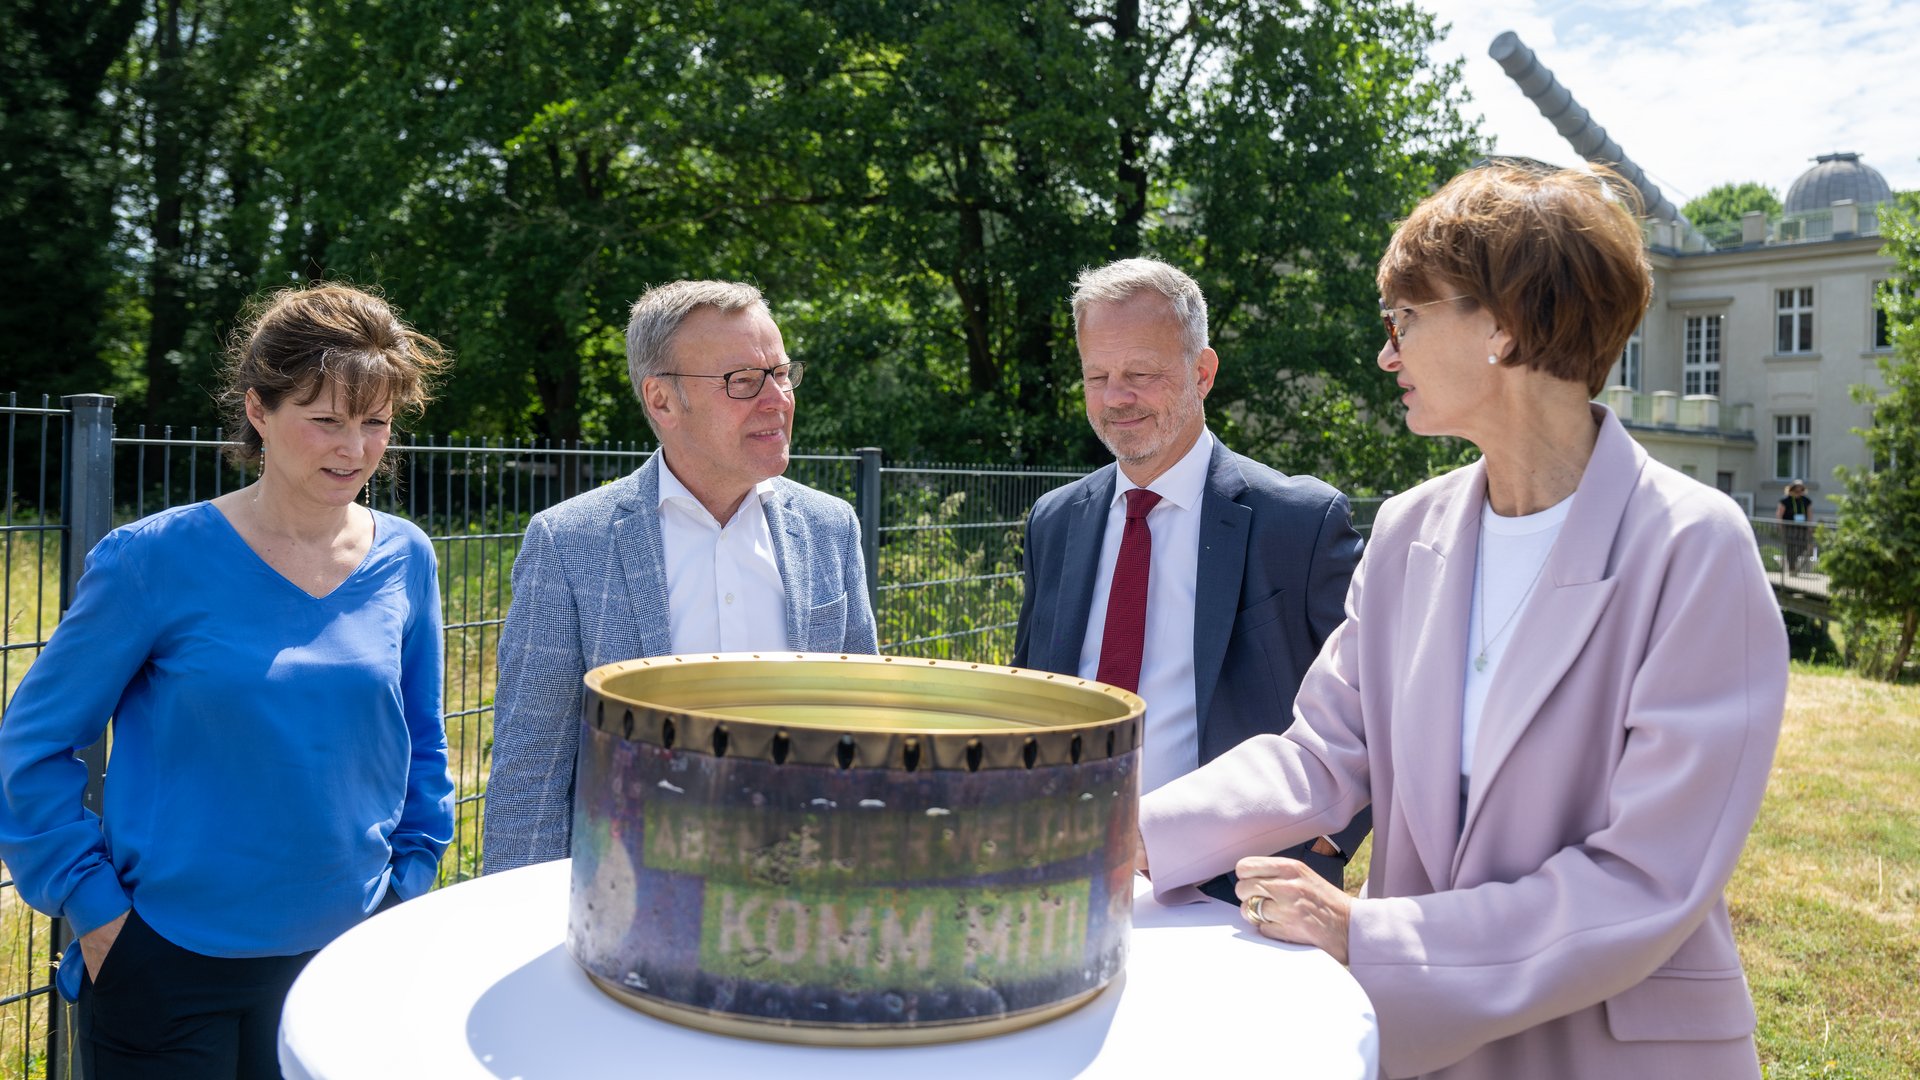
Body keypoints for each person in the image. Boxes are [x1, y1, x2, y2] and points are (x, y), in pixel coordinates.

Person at [1138, 164, 1787, 1079]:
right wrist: (1132, 829)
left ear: (1506, 326)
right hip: (1431, 1050)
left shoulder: (1692, 546)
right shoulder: (1410, 529)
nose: (1386, 352)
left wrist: (1371, 932)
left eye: (1405, 317)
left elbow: (1650, 877)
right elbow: (1324, 751)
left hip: (1615, 1051)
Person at [0, 283, 455, 1079]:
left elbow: (423, 741)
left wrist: (409, 883)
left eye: (374, 423)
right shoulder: (151, 561)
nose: (353, 449)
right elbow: (33, 745)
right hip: (168, 966)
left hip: (351, 960)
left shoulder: (406, 555)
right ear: (258, 411)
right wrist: (97, 914)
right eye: (325, 420)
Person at [484, 279, 878, 873]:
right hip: (637, 904)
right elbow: (531, 769)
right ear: (662, 400)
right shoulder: (569, 544)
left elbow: (865, 731)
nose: (777, 399)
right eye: (743, 381)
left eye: (782, 372)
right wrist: (516, 923)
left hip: (805, 893)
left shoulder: (830, 528)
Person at [1013, 257, 1368, 892]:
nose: (1116, 396)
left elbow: (1379, 704)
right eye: (1098, 375)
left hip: (1239, 894)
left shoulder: (1299, 524)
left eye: (1140, 374)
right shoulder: (1054, 523)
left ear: (1201, 373)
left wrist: (1330, 843)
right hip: (1064, 877)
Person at [1777, 480, 1813, 573]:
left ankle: (1794, 560)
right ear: (1792, 488)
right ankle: (1791, 567)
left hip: (1802, 527)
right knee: (1791, 546)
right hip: (1789, 527)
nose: (1799, 490)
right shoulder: (1785, 500)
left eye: (1801, 488)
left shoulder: (1806, 500)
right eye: (1797, 487)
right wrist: (1780, 526)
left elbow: (1809, 514)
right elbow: (1779, 514)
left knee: (1803, 545)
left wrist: (1810, 526)